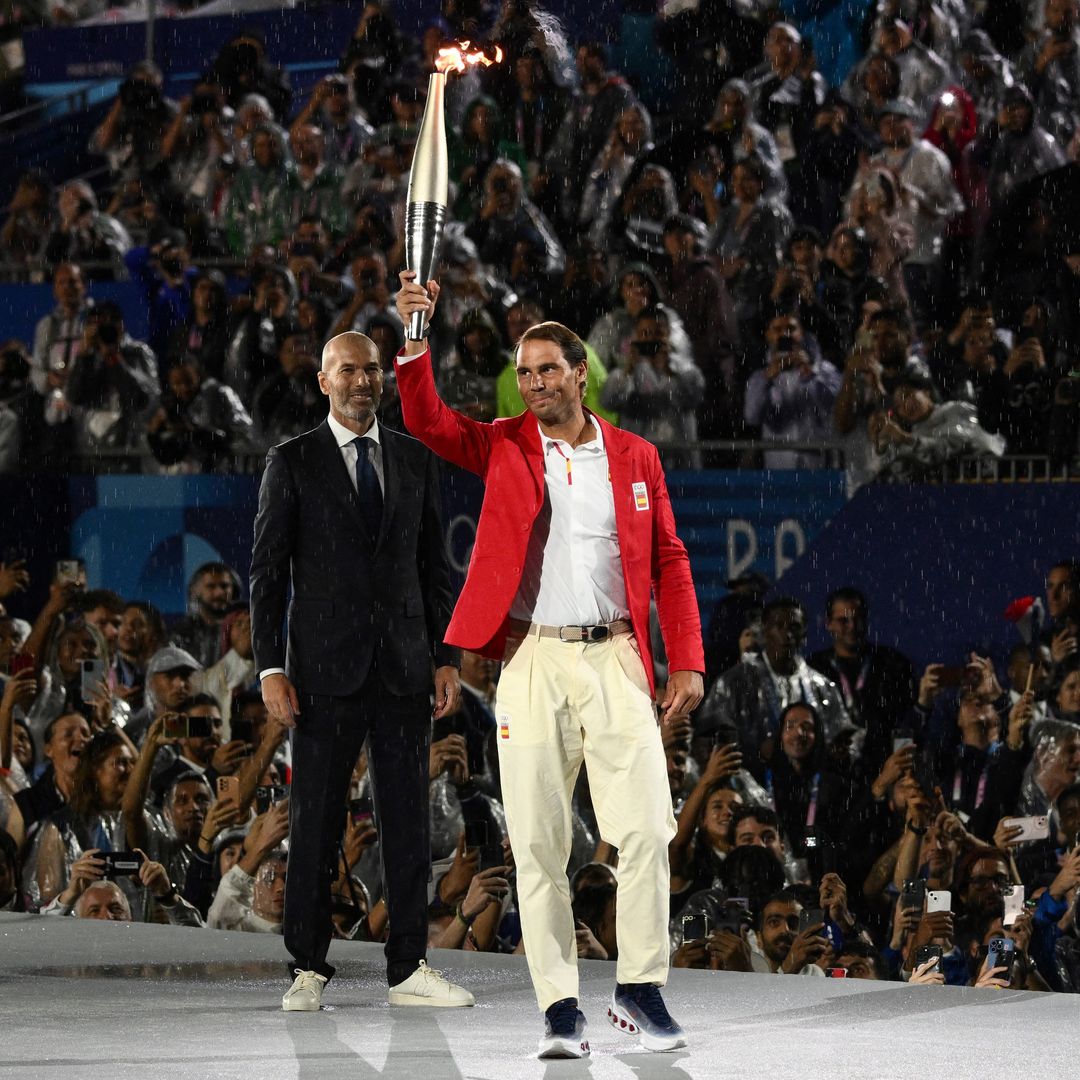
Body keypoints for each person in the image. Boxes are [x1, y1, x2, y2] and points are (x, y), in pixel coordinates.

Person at [394, 274, 704, 1057]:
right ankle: (561, 1010)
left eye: (546, 370)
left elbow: (670, 558)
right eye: (523, 372)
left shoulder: (635, 458)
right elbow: (426, 420)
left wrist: (688, 662)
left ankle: (638, 991)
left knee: (645, 831)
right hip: (530, 659)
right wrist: (414, 336)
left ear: (580, 374)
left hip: (618, 661)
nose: (532, 383)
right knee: (536, 843)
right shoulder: (502, 443)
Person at [249, 330, 470, 1013]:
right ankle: (307, 968)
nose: (363, 381)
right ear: (324, 381)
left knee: (406, 819)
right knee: (315, 822)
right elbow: (266, 573)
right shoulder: (292, 462)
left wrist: (445, 657)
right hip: (320, 674)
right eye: (348, 370)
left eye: (372, 370)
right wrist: (270, 669)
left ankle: (408, 966)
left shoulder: (414, 459)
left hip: (405, 669)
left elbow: (438, 568)